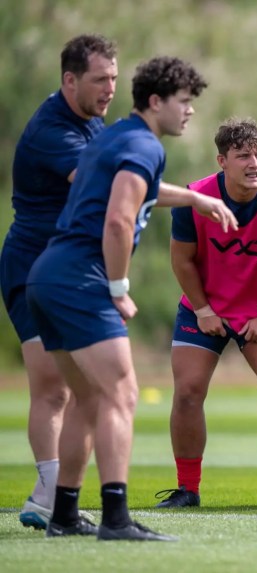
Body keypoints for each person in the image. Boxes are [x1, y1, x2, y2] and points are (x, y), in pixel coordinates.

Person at [26, 56, 236, 541]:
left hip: (47, 277)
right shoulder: (145, 143)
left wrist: (194, 198)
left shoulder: (115, 135)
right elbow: (120, 218)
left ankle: (63, 514)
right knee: (122, 394)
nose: (188, 113)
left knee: (88, 398)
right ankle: (116, 519)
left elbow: (131, 188)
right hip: (81, 281)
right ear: (156, 101)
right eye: (183, 103)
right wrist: (117, 287)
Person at [152, 118, 257, 510]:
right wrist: (203, 310)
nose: (254, 163)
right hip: (205, 309)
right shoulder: (194, 197)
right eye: (243, 155)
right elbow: (182, 262)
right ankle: (186, 489)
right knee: (189, 390)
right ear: (222, 160)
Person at [0, 34, 117, 530]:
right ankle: (49, 496)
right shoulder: (54, 130)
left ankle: (52, 497)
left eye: (114, 78)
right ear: (69, 80)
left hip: (68, 269)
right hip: (33, 267)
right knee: (53, 386)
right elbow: (104, 186)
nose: (110, 88)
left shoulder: (92, 120)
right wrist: (194, 198)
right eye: (99, 79)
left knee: (78, 387)